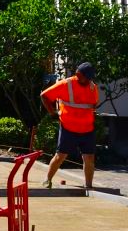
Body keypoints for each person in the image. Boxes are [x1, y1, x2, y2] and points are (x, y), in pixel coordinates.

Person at [41, 61, 100, 190]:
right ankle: (48, 180)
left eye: (90, 78)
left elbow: (93, 105)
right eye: (86, 77)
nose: (88, 80)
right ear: (78, 74)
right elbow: (44, 96)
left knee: (89, 158)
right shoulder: (65, 84)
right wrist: (53, 113)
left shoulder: (92, 87)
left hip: (87, 129)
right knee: (60, 156)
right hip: (68, 128)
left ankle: (88, 186)